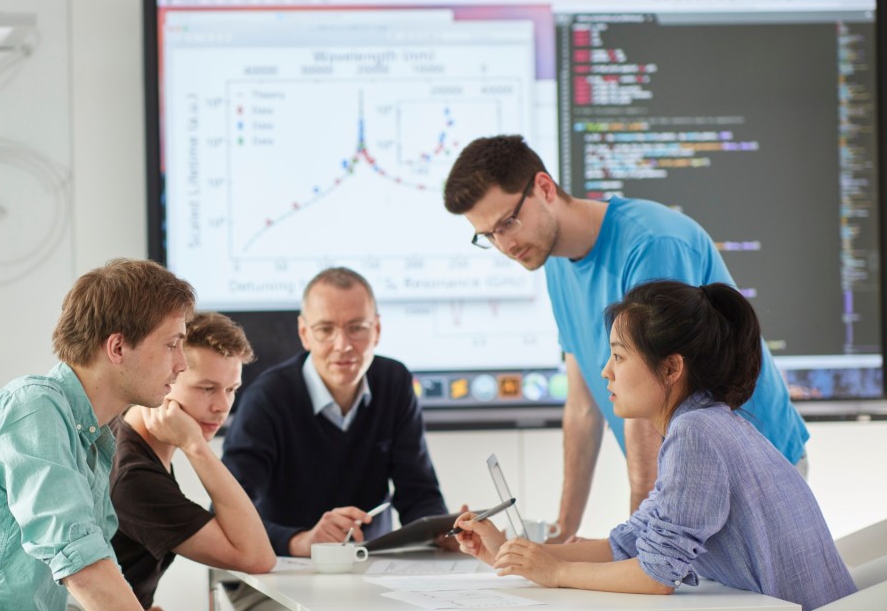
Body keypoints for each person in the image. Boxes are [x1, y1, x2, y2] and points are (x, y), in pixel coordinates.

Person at [443, 135, 809, 539]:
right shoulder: (554, 263)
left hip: (752, 469)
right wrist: (564, 531)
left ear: (544, 188)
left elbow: (658, 391)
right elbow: (582, 408)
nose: (505, 245)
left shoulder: (651, 243)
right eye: (488, 236)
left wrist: (640, 537)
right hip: (689, 480)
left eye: (508, 223)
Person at [453, 281, 855, 610]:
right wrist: (515, 554)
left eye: (619, 356)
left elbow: (656, 575)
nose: (606, 372)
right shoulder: (704, 422)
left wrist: (555, 573)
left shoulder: (696, 433)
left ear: (671, 367)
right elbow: (628, 543)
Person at [0, 259, 195, 611]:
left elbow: (91, 564)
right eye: (172, 344)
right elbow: (82, 567)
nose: (182, 364)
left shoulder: (92, 436)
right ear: (118, 348)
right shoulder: (35, 409)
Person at [222, 267, 453, 558]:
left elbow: (418, 493)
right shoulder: (267, 398)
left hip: (370, 566)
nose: (343, 345)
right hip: (286, 568)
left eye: (356, 328)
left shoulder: (394, 382)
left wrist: (443, 530)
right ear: (305, 334)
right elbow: (230, 513)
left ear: (377, 330)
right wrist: (300, 541)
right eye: (325, 330)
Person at [109, 311, 275, 610]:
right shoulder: (134, 476)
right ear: (167, 375)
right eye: (207, 388)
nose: (221, 407)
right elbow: (257, 557)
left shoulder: (121, 430)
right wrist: (195, 446)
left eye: (231, 390)